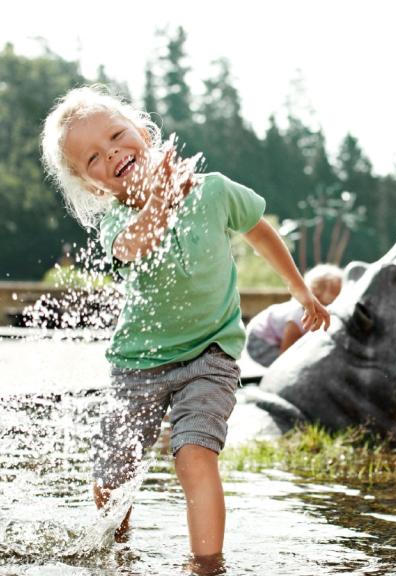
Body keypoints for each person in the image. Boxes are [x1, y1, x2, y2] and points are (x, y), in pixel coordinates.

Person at [40, 85, 330, 562]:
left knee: (195, 453)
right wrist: (162, 199)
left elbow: (259, 230)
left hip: (209, 356)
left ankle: (206, 566)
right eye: (93, 158)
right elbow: (135, 245)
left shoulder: (212, 191)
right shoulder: (117, 221)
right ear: (94, 186)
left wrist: (299, 290)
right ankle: (119, 555)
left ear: (142, 131)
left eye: (117, 135)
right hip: (137, 364)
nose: (111, 152)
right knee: (111, 474)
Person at [245, 264, 343, 367]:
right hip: (259, 341)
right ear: (316, 294)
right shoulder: (298, 318)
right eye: (333, 297)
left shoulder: (313, 314)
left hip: (274, 336)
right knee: (292, 363)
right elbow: (285, 354)